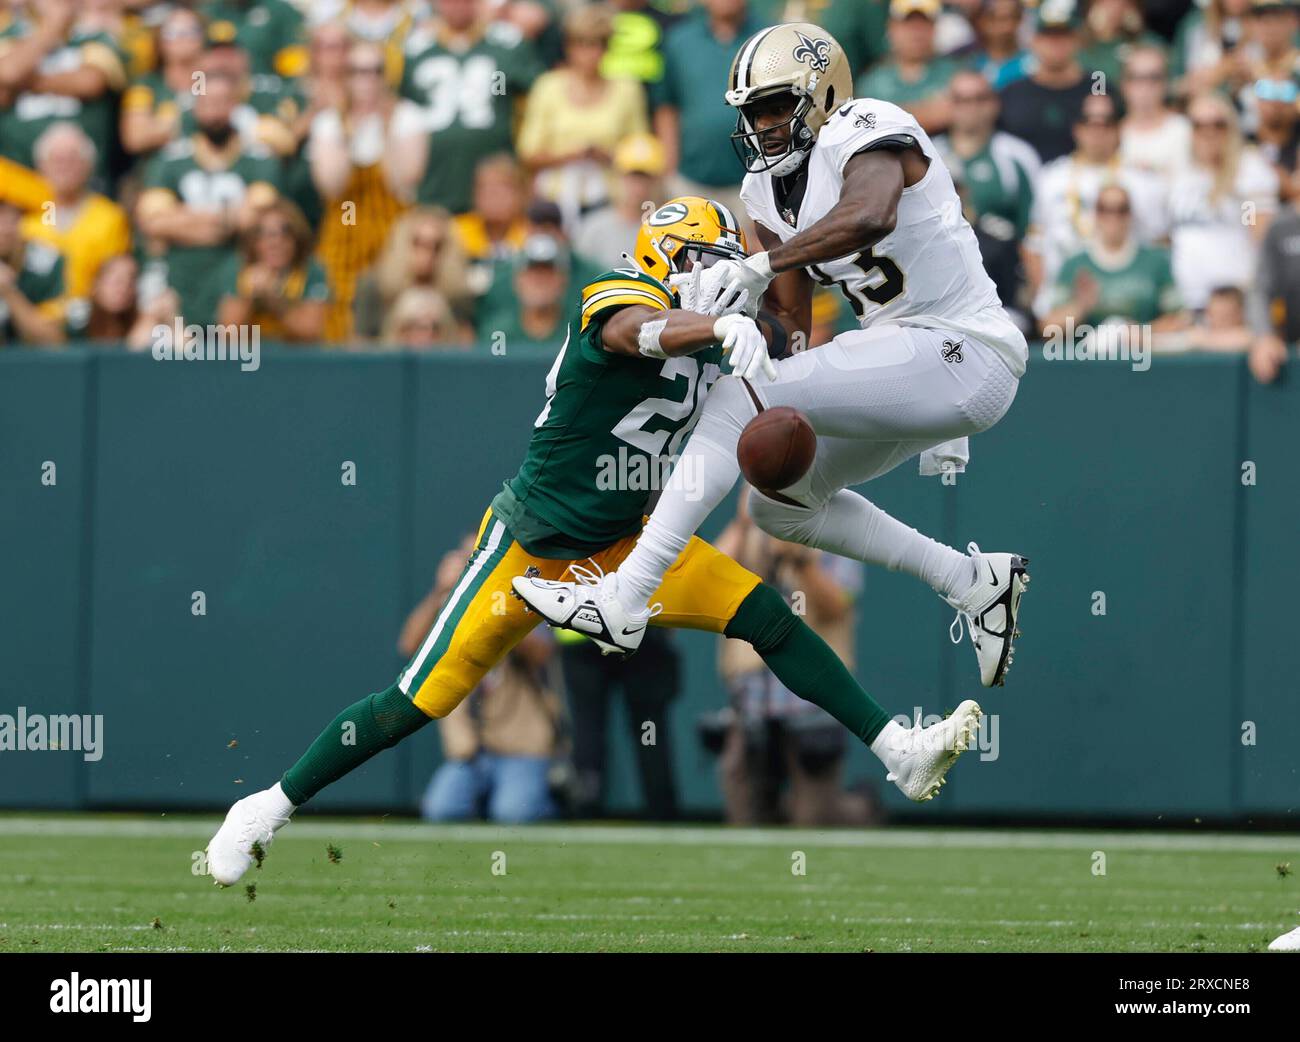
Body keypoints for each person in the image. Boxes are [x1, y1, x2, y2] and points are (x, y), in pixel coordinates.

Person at [207, 197, 983, 886]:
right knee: (419, 700)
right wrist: (719, 323)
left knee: (767, 618)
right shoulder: (618, 298)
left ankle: (896, 750)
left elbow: (798, 343)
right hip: (529, 546)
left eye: (721, 266)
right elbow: (633, 331)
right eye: (700, 263)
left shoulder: (717, 332)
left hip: (627, 544)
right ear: (659, 258)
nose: (713, 276)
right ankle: (268, 805)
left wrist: (931, 411)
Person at [517, 24, 1032, 693]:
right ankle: (969, 581)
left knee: (737, 404)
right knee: (779, 503)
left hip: (964, 348)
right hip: (908, 358)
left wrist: (762, 264)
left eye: (774, 106)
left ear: (822, 95)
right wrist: (727, 318)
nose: (761, 125)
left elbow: (869, 213)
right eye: (751, 111)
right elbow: (789, 322)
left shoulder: (866, 125)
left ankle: (626, 597)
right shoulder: (763, 191)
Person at [714, 488, 874, 827]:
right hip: (754, 696)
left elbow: (837, 606)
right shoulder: (751, 534)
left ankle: (862, 809)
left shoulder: (836, 533)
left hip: (812, 701)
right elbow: (711, 577)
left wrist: (801, 560)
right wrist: (743, 524)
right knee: (743, 803)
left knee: (813, 819)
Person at [400, 535, 563, 824]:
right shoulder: (452, 606)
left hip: (520, 748)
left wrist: (497, 606)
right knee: (442, 811)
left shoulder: (522, 598)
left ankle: (550, 800)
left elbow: (541, 654)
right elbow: (409, 645)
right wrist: (441, 591)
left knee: (514, 814)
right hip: (471, 753)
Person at [134, 62, 285, 328]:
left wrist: (181, 217)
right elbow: (152, 223)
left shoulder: (260, 158)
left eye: (224, 101)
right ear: (195, 107)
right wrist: (224, 220)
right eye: (208, 102)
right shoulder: (170, 160)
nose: (215, 110)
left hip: (236, 284)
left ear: (237, 106)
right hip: (178, 282)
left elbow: (252, 220)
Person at [309, 39, 428, 342]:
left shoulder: (407, 116)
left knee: (393, 310)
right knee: (339, 314)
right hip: (344, 236)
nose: (368, 80)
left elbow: (405, 182)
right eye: (358, 72)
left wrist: (386, 131)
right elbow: (331, 186)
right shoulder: (329, 122)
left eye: (375, 71)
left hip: (393, 236)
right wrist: (349, 131)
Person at [1025, 91, 1168, 319]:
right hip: (1064, 306)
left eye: (1107, 123)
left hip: (1126, 303)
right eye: (1088, 122)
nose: (1097, 131)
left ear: (1119, 128)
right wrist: (1044, 297)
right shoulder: (1051, 178)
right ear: (1076, 128)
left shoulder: (1143, 182)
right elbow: (1034, 246)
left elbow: (1159, 245)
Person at [400, 0, 545, 215]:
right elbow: (401, 109)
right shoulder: (416, 48)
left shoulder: (506, 42)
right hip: (436, 180)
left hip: (495, 177)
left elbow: (540, 92)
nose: (457, 5)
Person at [516, 3, 648, 227]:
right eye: (583, 44)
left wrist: (603, 155)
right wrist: (575, 155)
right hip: (553, 204)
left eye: (600, 44)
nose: (592, 53)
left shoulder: (628, 88)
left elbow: (639, 153)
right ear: (569, 46)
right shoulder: (547, 86)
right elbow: (528, 153)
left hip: (610, 201)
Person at [933, 70, 1040, 323]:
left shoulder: (1017, 156)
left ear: (994, 104)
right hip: (940, 281)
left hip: (1002, 282)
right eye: (962, 100)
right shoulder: (927, 154)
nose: (971, 108)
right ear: (949, 104)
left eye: (979, 99)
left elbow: (1034, 233)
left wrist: (1034, 296)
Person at [1167, 91, 1278, 312]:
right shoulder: (1180, 174)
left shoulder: (1249, 170)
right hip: (1187, 302)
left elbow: (1260, 239)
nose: (1208, 132)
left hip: (1234, 302)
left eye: (1218, 124)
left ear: (1231, 128)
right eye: (1199, 125)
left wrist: (1248, 294)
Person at [1040, 184, 1183, 332]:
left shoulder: (1155, 262)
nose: (1113, 217)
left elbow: (1179, 318)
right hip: (1086, 353)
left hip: (1141, 352)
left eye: (1121, 209)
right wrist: (1081, 306)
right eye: (1104, 209)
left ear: (1130, 214)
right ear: (1095, 214)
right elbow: (1048, 327)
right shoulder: (1075, 265)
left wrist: (1140, 333)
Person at [217, 198, 331, 344]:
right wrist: (249, 296)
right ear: (253, 242)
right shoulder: (239, 269)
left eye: (285, 232)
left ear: (297, 238)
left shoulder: (311, 270)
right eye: (264, 233)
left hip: (300, 361)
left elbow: (310, 331)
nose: (275, 242)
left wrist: (273, 298)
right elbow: (227, 333)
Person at [996, 0, 1094, 163]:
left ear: (1077, 40)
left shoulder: (1097, 86)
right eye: (1048, 35)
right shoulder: (1012, 93)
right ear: (1034, 41)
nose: (1055, 43)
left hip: (1083, 181)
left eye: (1063, 35)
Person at [353, 207, 474, 340]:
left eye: (436, 246)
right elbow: (361, 347)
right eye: (418, 243)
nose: (427, 254)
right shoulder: (373, 288)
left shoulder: (457, 296)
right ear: (402, 245)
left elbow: (465, 347)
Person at [856, 0, 964, 135]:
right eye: (908, 23)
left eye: (924, 23)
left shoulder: (955, 73)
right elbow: (866, 125)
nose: (916, 31)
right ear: (891, 27)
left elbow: (954, 113)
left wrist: (888, 117)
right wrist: (929, 113)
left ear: (935, 28)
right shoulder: (872, 81)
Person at [572, 133, 668, 272]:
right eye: (632, 176)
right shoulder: (593, 228)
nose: (638, 186)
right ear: (619, 177)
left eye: (645, 177)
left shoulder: (666, 233)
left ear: (658, 181)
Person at [1119, 45, 1191, 183]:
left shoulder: (1184, 130)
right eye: (1136, 77)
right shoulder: (1112, 133)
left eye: (1154, 77)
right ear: (1124, 84)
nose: (1145, 86)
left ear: (1166, 83)